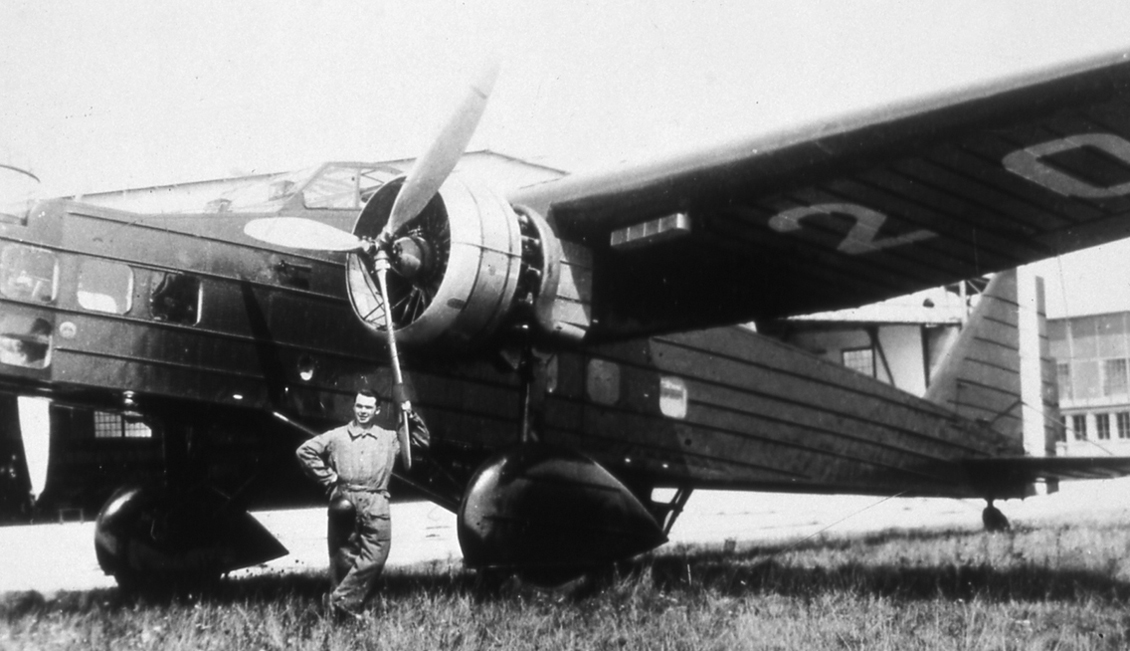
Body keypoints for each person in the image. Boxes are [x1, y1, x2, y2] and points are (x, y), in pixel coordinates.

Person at [295, 388, 426, 620]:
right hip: (345, 499)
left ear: (376, 410)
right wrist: (328, 477)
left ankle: (336, 602)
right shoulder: (336, 436)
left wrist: (411, 415)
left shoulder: (389, 438)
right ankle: (345, 615)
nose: (363, 411)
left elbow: (420, 441)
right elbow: (305, 451)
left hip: (377, 501)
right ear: (353, 407)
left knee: (377, 554)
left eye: (368, 407)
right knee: (344, 558)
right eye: (359, 406)